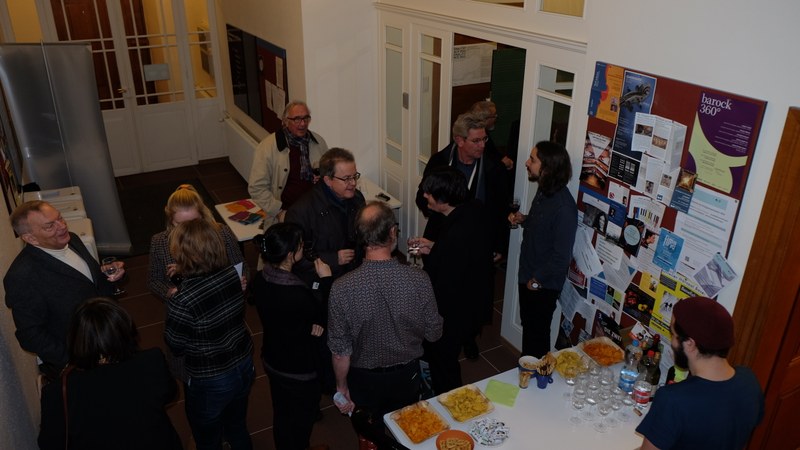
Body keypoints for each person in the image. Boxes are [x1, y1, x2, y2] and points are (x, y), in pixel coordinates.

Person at [328, 201, 443, 440]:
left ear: (360, 236)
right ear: (392, 232)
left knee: (370, 432)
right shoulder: (419, 279)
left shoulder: (341, 288)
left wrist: (341, 386)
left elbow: (340, 352)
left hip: (364, 378)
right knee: (407, 429)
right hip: (406, 375)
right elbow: (434, 333)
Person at [38, 297, 182, 450]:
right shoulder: (152, 360)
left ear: (76, 339)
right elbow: (170, 393)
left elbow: (50, 444)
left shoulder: (56, 392)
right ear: (124, 330)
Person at [4, 200, 125, 379]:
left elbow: (88, 283)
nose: (61, 226)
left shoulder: (72, 239)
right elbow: (30, 335)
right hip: (84, 364)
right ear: (30, 238)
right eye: (50, 226)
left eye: (60, 218)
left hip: (111, 337)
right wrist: (75, 362)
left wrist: (108, 275)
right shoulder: (22, 276)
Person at [164, 219, 254, 450]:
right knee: (237, 426)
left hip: (211, 376)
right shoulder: (232, 274)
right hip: (244, 362)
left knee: (207, 436)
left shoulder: (182, 299)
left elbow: (175, 344)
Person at [637, 296, 764, 450]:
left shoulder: (673, 400)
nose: (672, 342)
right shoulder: (749, 380)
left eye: (673, 335)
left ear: (690, 344)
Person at [409, 167, 493, 394]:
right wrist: (435, 247)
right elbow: (462, 255)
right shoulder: (473, 210)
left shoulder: (457, 234)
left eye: (429, 193)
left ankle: (448, 399)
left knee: (443, 360)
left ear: (443, 199)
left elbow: (445, 280)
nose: (425, 195)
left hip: (456, 310)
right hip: (473, 301)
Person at [251, 222, 332, 450]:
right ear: (290, 255)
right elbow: (324, 315)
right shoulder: (296, 293)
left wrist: (311, 323)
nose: (303, 247)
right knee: (301, 420)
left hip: (272, 358)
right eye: (300, 245)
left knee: (282, 413)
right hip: (298, 368)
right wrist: (325, 280)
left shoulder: (260, 279)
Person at [509, 141, 577, 358]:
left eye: (533, 160)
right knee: (530, 329)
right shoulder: (544, 190)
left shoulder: (565, 208)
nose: (527, 163)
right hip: (528, 274)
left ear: (547, 168)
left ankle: (537, 372)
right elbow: (543, 225)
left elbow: (561, 257)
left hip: (542, 284)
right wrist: (524, 219)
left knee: (537, 337)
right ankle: (527, 368)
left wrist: (536, 280)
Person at [416, 112, 509, 262]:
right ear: (459, 140)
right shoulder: (439, 161)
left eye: (484, 139)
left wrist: (498, 244)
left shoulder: (495, 168)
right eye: (476, 141)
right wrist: (439, 208)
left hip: (477, 241)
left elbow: (501, 209)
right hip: (440, 236)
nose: (482, 145)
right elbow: (421, 196)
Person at [148, 184, 245, 302]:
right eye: (181, 225)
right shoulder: (159, 241)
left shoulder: (222, 232)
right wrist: (170, 293)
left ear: (202, 216)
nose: (189, 230)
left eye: (194, 222)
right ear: (171, 220)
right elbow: (154, 281)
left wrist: (239, 281)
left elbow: (242, 267)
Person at [285, 147, 366, 283]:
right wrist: (333, 259)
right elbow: (293, 259)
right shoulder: (300, 212)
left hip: (354, 276)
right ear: (328, 180)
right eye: (346, 178)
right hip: (323, 282)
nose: (353, 183)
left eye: (354, 176)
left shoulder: (357, 198)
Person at [248, 101, 328, 226]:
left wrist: (323, 178)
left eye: (306, 118)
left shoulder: (319, 142)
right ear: (285, 121)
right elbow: (256, 188)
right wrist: (279, 212)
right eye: (297, 119)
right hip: (285, 213)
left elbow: (330, 175)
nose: (303, 123)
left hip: (315, 211)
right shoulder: (267, 148)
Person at [469, 100, 513, 170]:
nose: (496, 117)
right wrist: (503, 164)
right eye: (494, 115)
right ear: (484, 119)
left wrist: (503, 159)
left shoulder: (485, 133)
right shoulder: (478, 137)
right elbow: (487, 164)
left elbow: (493, 153)